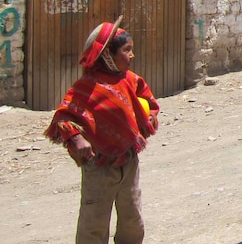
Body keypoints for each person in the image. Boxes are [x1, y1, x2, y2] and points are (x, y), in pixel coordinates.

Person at [44, 16, 159, 244]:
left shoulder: (131, 80)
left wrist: (150, 116)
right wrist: (75, 138)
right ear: (108, 54)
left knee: (132, 218)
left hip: (129, 160)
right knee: (94, 221)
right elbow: (64, 115)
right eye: (127, 50)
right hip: (99, 167)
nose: (132, 55)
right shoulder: (87, 87)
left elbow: (148, 100)